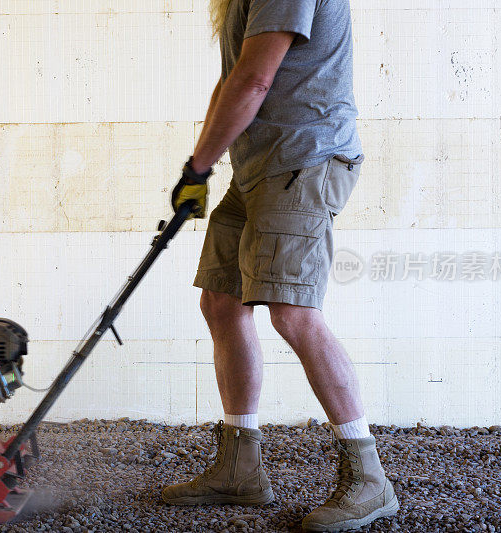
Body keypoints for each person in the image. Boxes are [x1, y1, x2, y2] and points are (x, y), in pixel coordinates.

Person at [162, 0, 399, 530]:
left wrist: (197, 168)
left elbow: (254, 80)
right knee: (221, 300)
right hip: (260, 164)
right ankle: (238, 467)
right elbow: (231, 82)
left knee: (292, 310)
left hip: (302, 158)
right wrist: (203, 167)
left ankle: (368, 477)